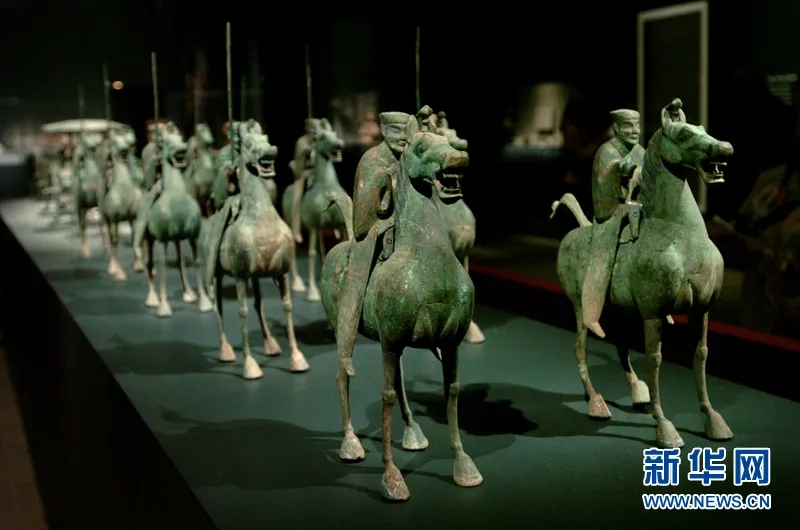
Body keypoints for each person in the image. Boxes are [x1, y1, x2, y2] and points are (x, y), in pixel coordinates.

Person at [335, 110, 412, 375]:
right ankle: (346, 349)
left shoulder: (410, 156)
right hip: (375, 229)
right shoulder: (372, 159)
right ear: (383, 131)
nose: (402, 138)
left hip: (408, 226)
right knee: (355, 280)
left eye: (406, 131)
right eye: (395, 131)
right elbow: (363, 219)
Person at [581, 109, 645, 338]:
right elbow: (604, 185)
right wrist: (620, 171)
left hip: (637, 206)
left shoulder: (640, 151)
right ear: (616, 128)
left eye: (637, 125)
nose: (635, 131)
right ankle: (591, 314)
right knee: (603, 252)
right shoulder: (606, 152)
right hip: (611, 211)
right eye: (628, 126)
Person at [288, 118, 320, 243]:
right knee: (297, 197)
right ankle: (296, 230)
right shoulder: (301, 142)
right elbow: (299, 159)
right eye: (313, 132)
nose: (315, 134)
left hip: (317, 171)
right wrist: (306, 151)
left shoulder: (319, 141)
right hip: (303, 172)